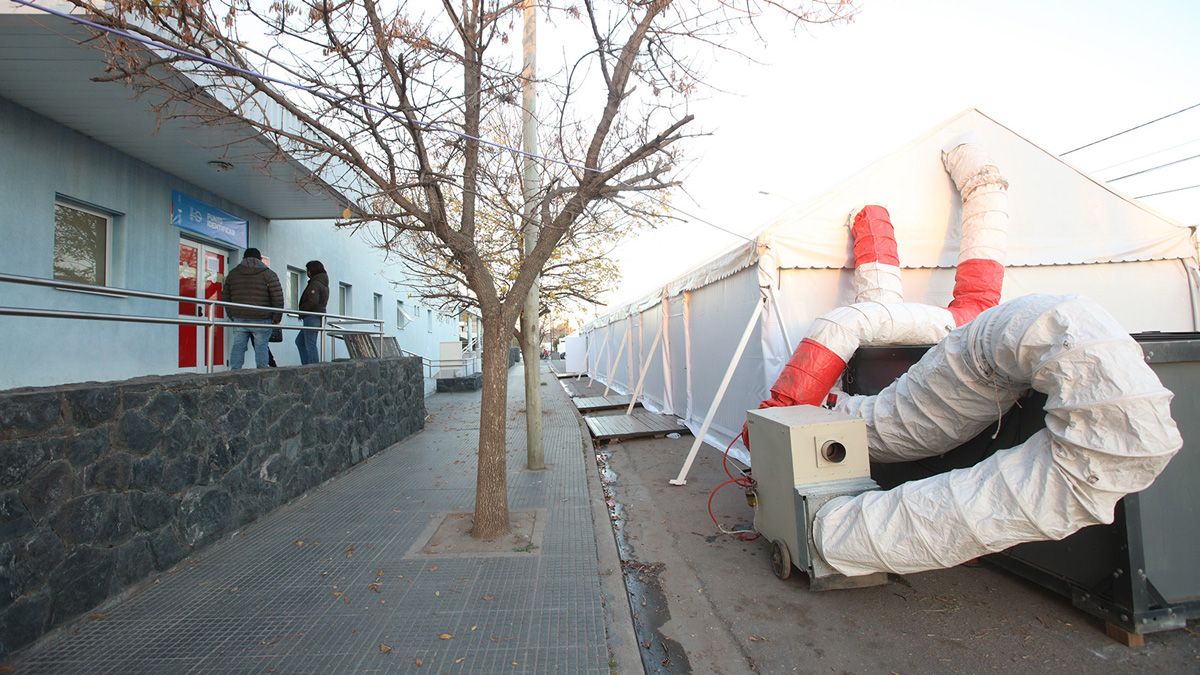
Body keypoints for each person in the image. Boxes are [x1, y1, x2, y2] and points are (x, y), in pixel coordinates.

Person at [224, 248, 283, 369]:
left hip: (239, 317)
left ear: (243, 258)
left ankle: (234, 373)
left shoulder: (233, 274)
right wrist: (277, 318)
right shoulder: (269, 274)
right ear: (260, 259)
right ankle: (262, 373)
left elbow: (226, 296)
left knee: (238, 346)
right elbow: (277, 297)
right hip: (262, 318)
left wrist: (231, 314)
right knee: (261, 347)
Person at [296, 260, 329, 365]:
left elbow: (312, 301)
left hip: (312, 317)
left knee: (310, 344)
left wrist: (302, 310)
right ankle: (307, 366)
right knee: (300, 341)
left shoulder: (315, 283)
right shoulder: (323, 283)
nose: (307, 272)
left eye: (308, 270)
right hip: (317, 316)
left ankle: (313, 368)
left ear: (311, 270)